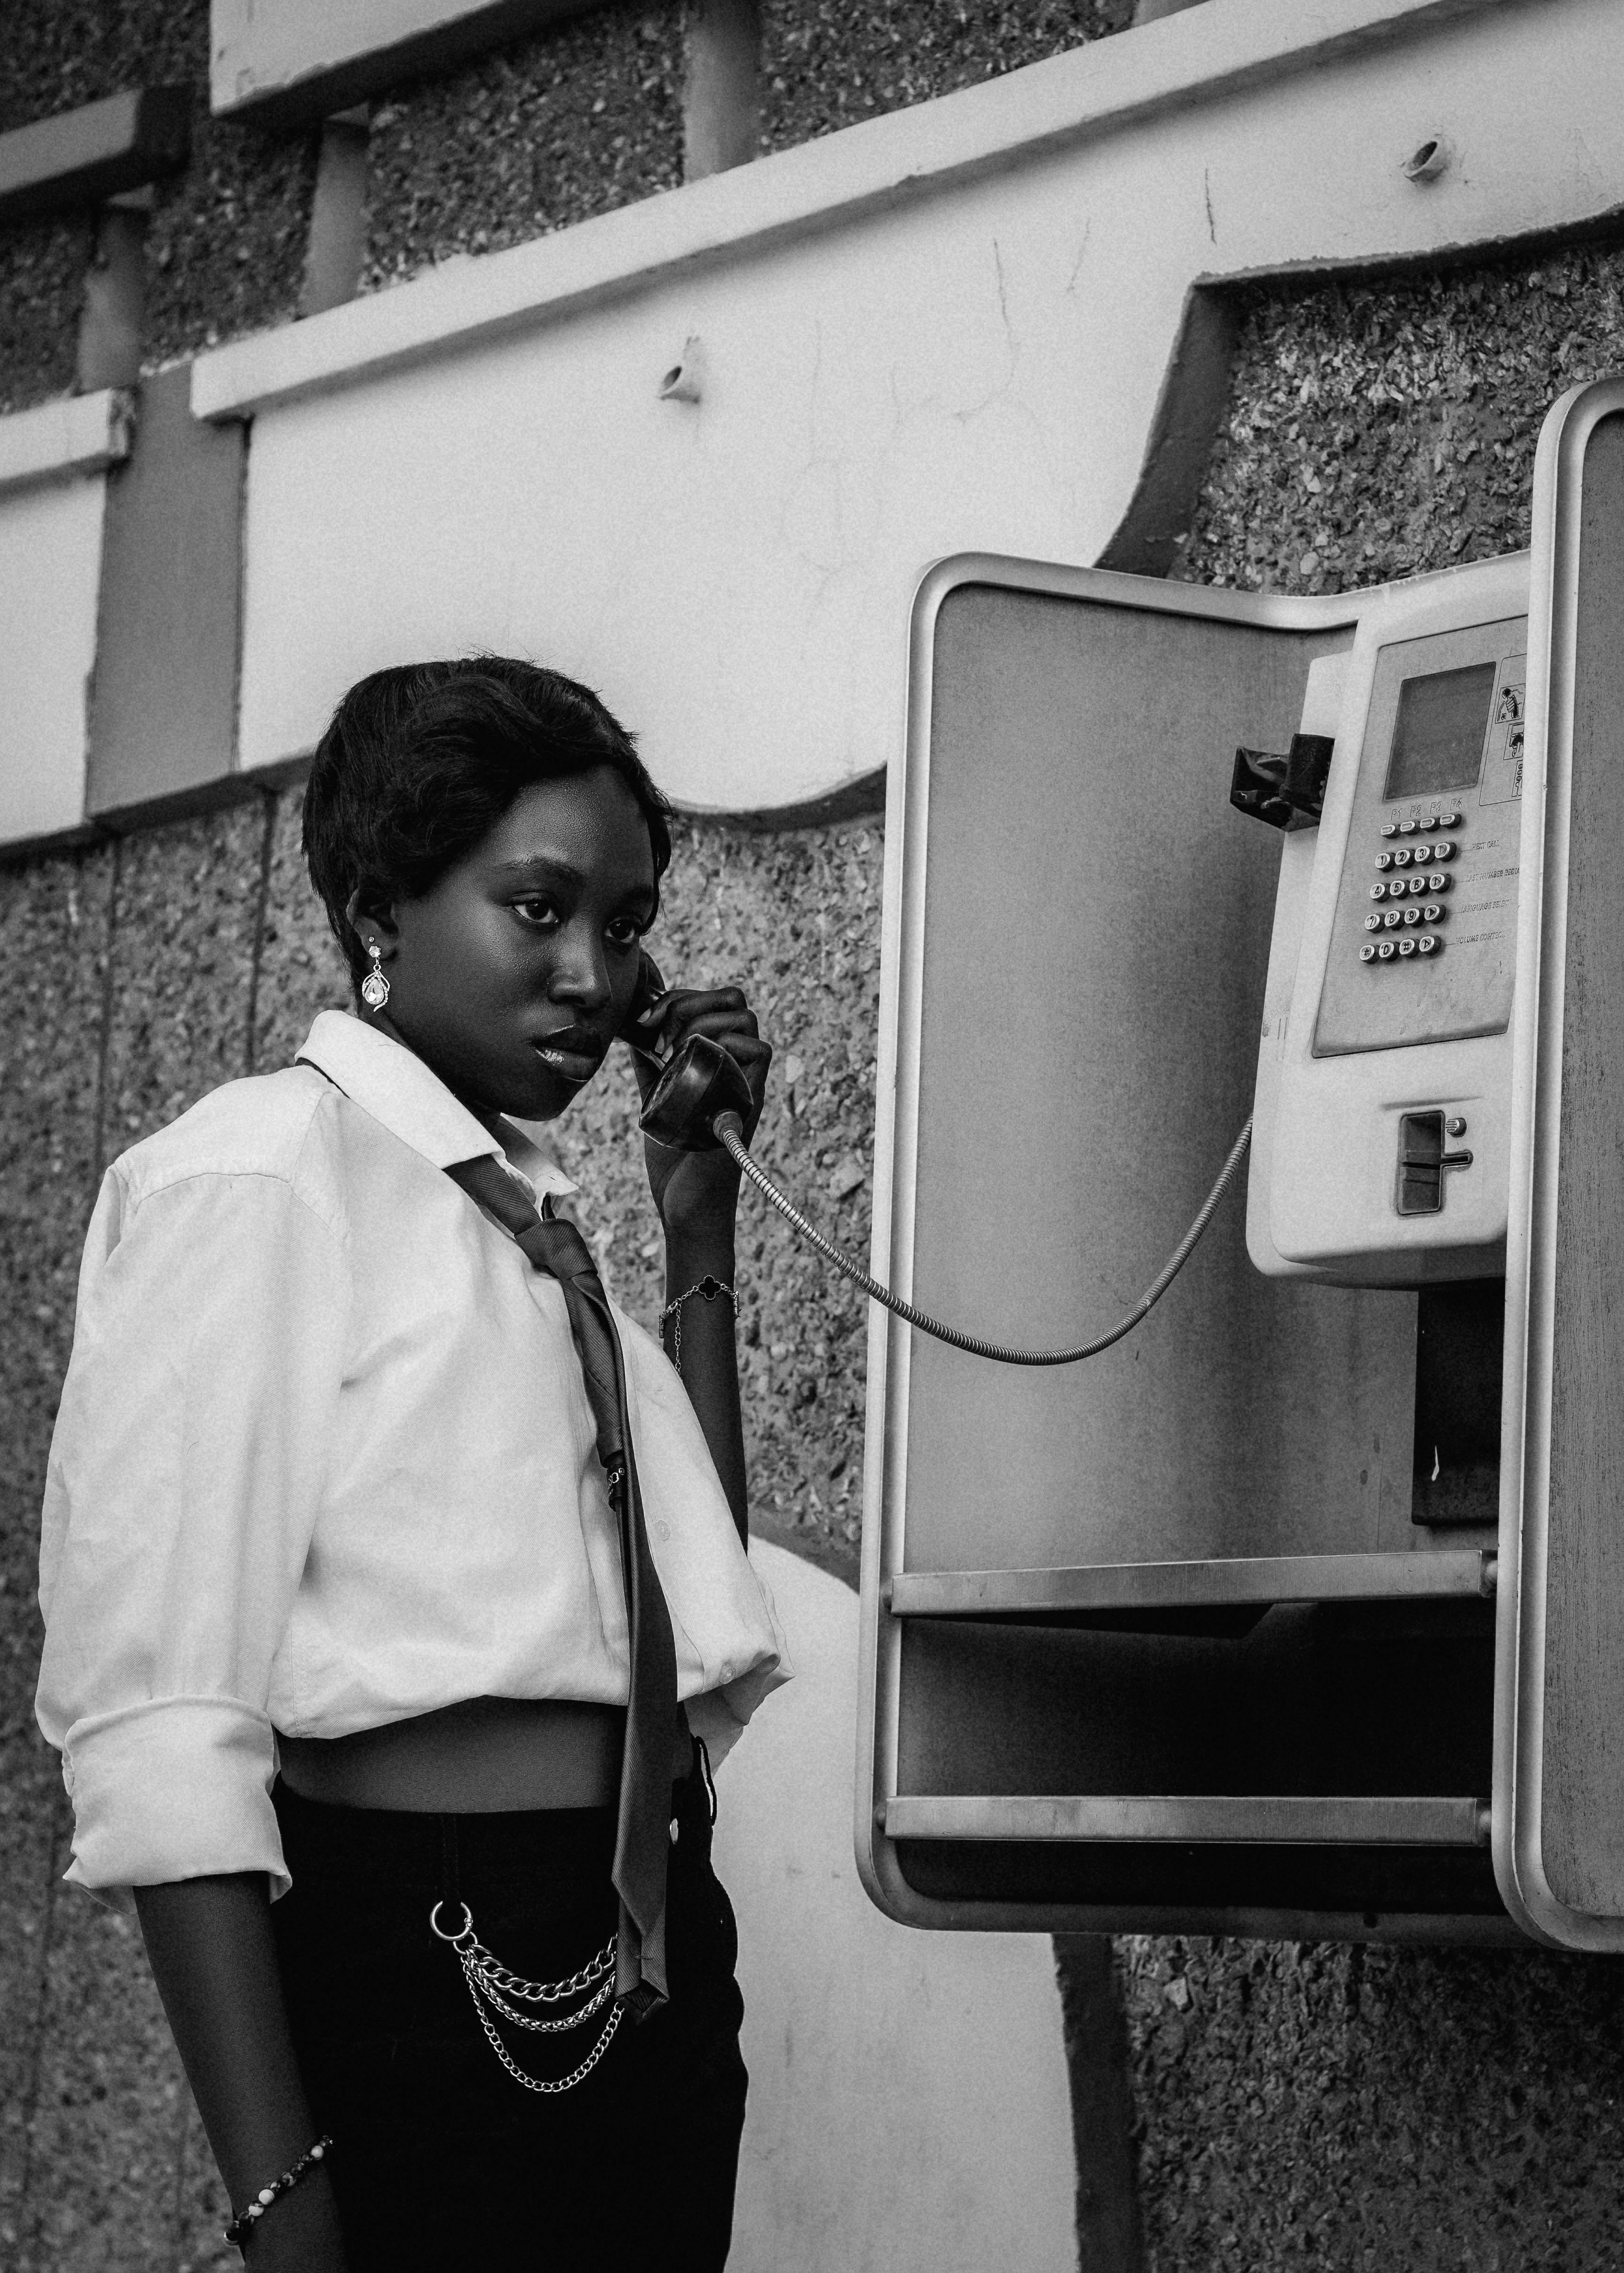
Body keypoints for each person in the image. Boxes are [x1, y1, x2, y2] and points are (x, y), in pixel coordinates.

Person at [36, 659, 789, 2270]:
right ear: (383, 911)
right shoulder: (249, 1185)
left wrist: (696, 1228)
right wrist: (277, 2196)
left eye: (629, 923)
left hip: (651, 1945)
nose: (596, 973)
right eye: (538, 909)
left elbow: (691, 1603)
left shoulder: (521, 1222)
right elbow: (161, 1722)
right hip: (427, 1953)